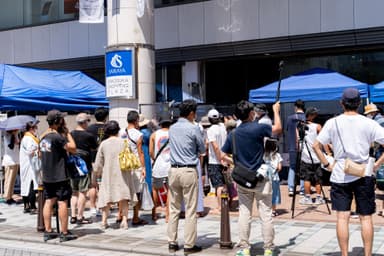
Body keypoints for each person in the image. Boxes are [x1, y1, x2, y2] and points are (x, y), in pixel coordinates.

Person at [313, 88, 384, 256]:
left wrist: (326, 164)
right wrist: (378, 164)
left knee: (342, 218)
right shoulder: (369, 123)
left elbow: (316, 145)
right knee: (366, 217)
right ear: (359, 103)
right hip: (364, 172)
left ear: (341, 103)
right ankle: (367, 254)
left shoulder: (333, 122)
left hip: (340, 173)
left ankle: (344, 254)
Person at [221, 100, 282, 256]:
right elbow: (278, 129)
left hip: (242, 179)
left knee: (244, 213)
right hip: (261, 177)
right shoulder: (259, 128)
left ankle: (244, 248)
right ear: (251, 114)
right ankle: (268, 248)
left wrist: (236, 164)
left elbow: (223, 155)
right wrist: (276, 111)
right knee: (266, 213)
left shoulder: (233, 133)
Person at [167, 99, 205, 255]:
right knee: (190, 209)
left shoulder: (172, 128)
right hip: (188, 170)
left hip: (173, 171)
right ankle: (189, 245)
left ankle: (172, 242)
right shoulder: (193, 128)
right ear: (191, 113)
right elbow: (201, 148)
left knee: (174, 208)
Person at [40, 109, 77, 242]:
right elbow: (73, 148)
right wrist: (67, 134)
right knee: (62, 202)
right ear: (58, 121)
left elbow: (40, 154)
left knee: (49, 201)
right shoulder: (57, 137)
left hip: (47, 175)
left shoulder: (44, 136)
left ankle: (48, 231)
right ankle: (64, 232)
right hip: (59, 175)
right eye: (61, 119)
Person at [94, 120, 137, 229]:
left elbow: (98, 162)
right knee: (124, 197)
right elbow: (131, 156)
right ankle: (124, 221)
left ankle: (104, 221)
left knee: (106, 197)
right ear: (118, 130)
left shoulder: (104, 144)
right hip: (123, 173)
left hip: (108, 174)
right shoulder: (124, 142)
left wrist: (96, 174)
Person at [69, 113, 97, 224]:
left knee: (74, 192)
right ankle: (80, 216)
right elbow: (94, 147)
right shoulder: (88, 136)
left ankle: (73, 216)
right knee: (82, 192)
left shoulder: (71, 134)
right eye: (88, 121)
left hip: (72, 166)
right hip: (84, 167)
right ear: (84, 122)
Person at [121, 110, 147, 226]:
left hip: (124, 165)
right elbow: (140, 152)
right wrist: (144, 168)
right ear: (137, 121)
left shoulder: (121, 132)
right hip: (135, 165)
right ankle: (136, 217)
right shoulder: (138, 134)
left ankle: (121, 216)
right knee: (137, 191)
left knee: (124, 190)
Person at [299, 107, 325, 205]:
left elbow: (298, 140)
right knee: (318, 178)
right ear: (311, 115)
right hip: (317, 156)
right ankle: (318, 197)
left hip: (305, 155)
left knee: (306, 178)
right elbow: (323, 140)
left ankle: (308, 198)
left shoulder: (300, 125)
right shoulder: (318, 126)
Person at [149, 113, 172, 222]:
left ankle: (154, 213)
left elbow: (150, 152)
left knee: (155, 189)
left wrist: (155, 159)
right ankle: (168, 215)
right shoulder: (173, 134)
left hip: (158, 166)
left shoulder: (154, 135)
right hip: (170, 165)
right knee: (170, 190)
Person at [87, 107, 109, 217]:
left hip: (92, 159)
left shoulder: (89, 128)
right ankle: (102, 206)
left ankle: (92, 207)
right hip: (105, 160)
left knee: (93, 185)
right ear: (106, 117)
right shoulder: (108, 128)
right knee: (103, 184)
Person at [206, 109, 227, 212]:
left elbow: (215, 146)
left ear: (209, 119)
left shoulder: (210, 130)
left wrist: (220, 158)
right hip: (224, 158)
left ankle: (220, 207)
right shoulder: (223, 127)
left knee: (218, 185)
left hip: (215, 160)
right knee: (224, 184)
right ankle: (226, 205)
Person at [19, 120, 40, 214]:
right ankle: (32, 206)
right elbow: (30, 151)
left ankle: (27, 206)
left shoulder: (28, 137)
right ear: (31, 128)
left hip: (27, 164)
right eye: (35, 127)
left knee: (26, 184)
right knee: (30, 185)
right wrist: (37, 148)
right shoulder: (28, 138)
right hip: (29, 165)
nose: (37, 129)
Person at [286, 99, 305, 196]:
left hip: (293, 146)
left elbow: (288, 131)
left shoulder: (290, 118)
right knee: (303, 167)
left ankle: (291, 188)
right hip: (304, 147)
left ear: (295, 107)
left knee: (292, 167)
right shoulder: (306, 118)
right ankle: (302, 189)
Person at [263, 138, 282, 217]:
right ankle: (273, 211)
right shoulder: (277, 155)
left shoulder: (263, 155)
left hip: (265, 177)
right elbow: (280, 168)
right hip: (274, 177)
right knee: (274, 193)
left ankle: (266, 209)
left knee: (265, 193)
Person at [2, 129, 20, 204]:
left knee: (12, 180)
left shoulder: (15, 136)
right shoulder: (7, 136)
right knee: (8, 180)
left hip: (15, 160)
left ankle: (10, 195)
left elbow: (18, 143)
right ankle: (7, 197)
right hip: (9, 161)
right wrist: (14, 135)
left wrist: (15, 135)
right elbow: (11, 146)